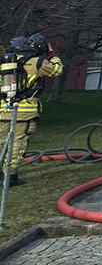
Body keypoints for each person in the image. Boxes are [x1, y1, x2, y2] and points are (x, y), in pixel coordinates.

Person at [0, 33, 64, 186]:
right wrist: (52, 55)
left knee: (1, 142)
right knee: (17, 143)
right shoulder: (37, 62)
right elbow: (58, 70)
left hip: (3, 109)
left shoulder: (5, 63)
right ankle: (10, 176)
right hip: (25, 111)